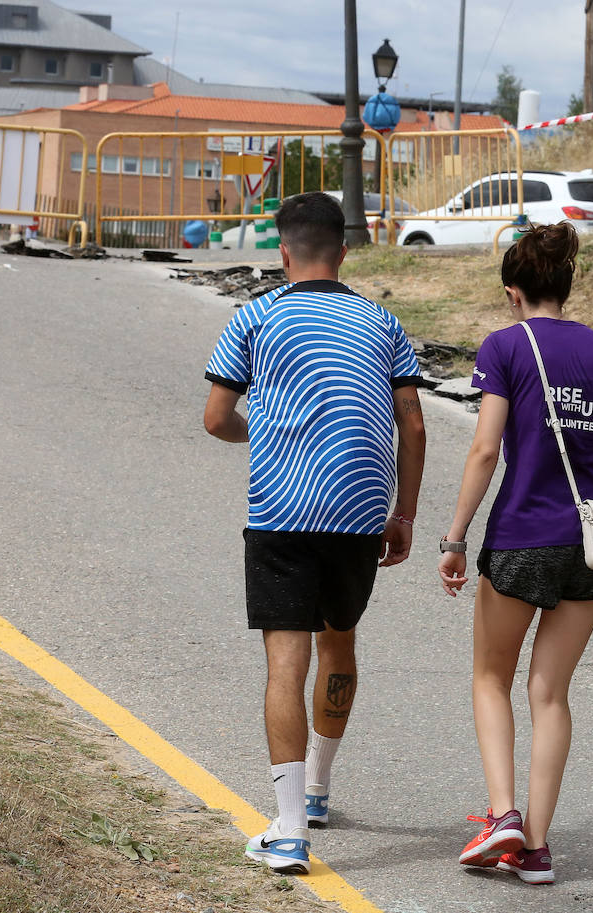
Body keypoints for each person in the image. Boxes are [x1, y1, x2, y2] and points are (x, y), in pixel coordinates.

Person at [203, 192, 426, 875]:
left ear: (283, 250)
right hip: (359, 513)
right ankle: (322, 788)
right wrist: (405, 513)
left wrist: (262, 432)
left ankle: (290, 828)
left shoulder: (257, 316)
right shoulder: (383, 322)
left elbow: (215, 417)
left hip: (282, 515)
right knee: (340, 641)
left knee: (284, 664)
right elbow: (413, 426)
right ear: (344, 252)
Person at [437, 222, 593, 886]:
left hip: (521, 536)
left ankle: (503, 817)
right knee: (550, 692)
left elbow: (485, 449)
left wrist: (456, 536)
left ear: (512, 291)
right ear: (566, 283)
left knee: (490, 678)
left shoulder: (505, 346)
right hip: (591, 545)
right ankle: (538, 849)